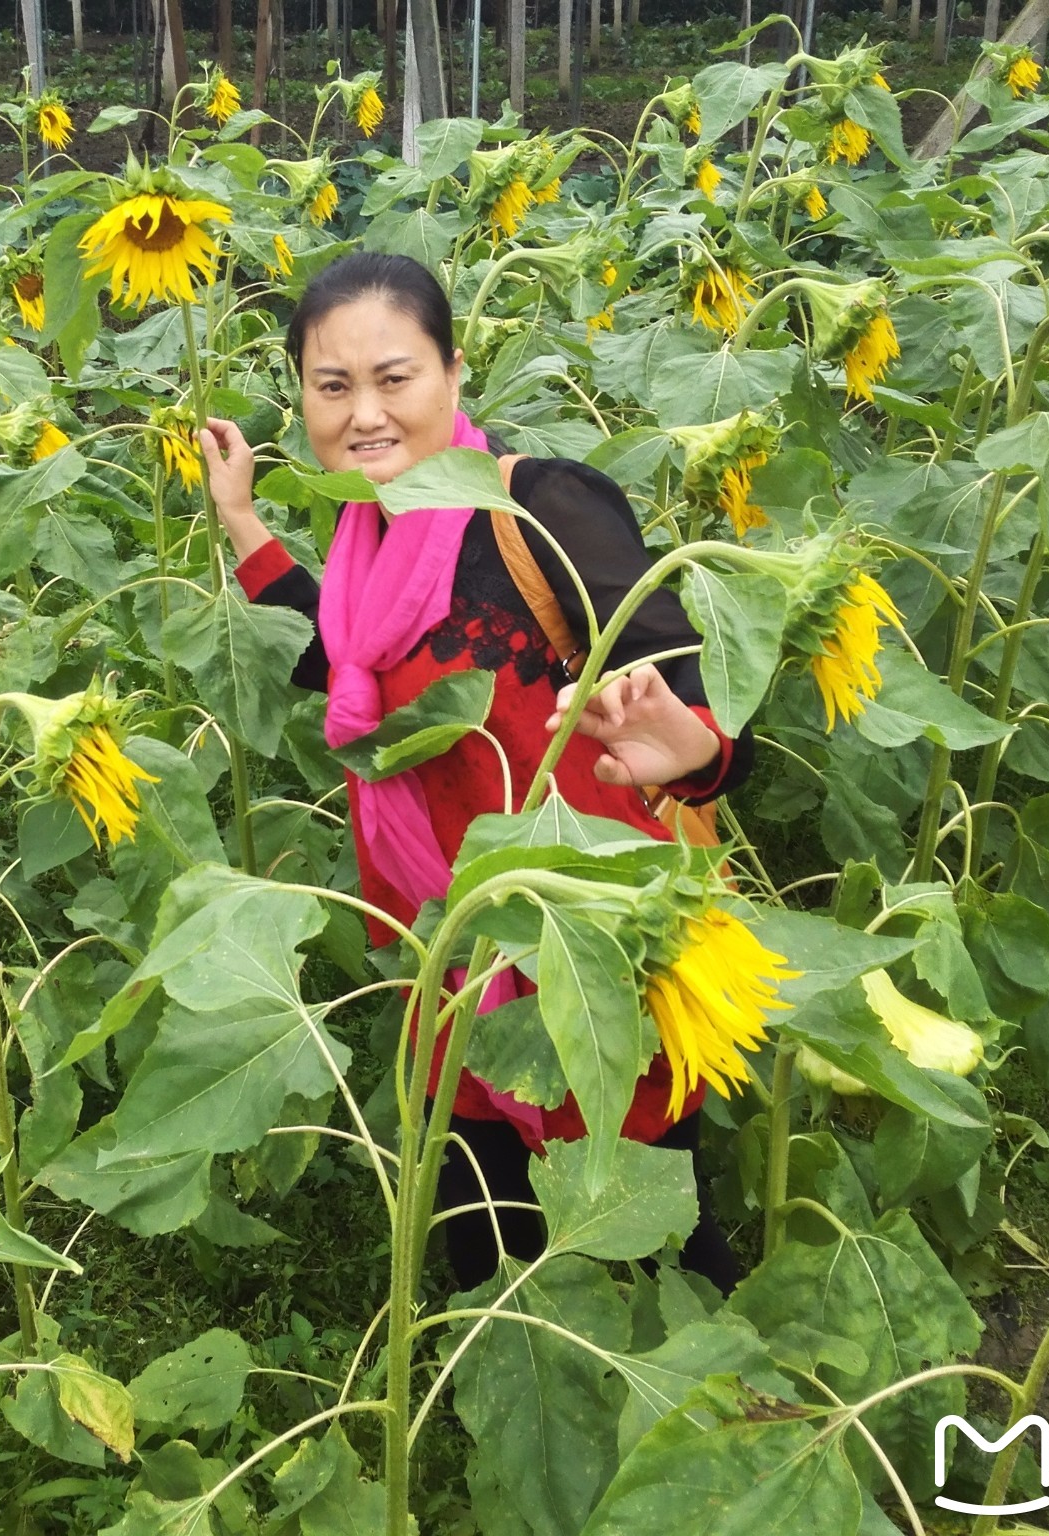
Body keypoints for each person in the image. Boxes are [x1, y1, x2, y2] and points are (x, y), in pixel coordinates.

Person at [197, 251, 753, 1294]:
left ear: (454, 374)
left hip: (601, 933)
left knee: (643, 1214)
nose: (363, 412)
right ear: (302, 400)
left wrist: (695, 752)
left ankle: (720, 1408)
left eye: (392, 377)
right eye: (331, 386)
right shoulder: (366, 535)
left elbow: (691, 695)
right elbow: (342, 662)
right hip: (456, 934)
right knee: (479, 1218)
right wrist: (242, 522)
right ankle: (512, 1375)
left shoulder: (542, 506)